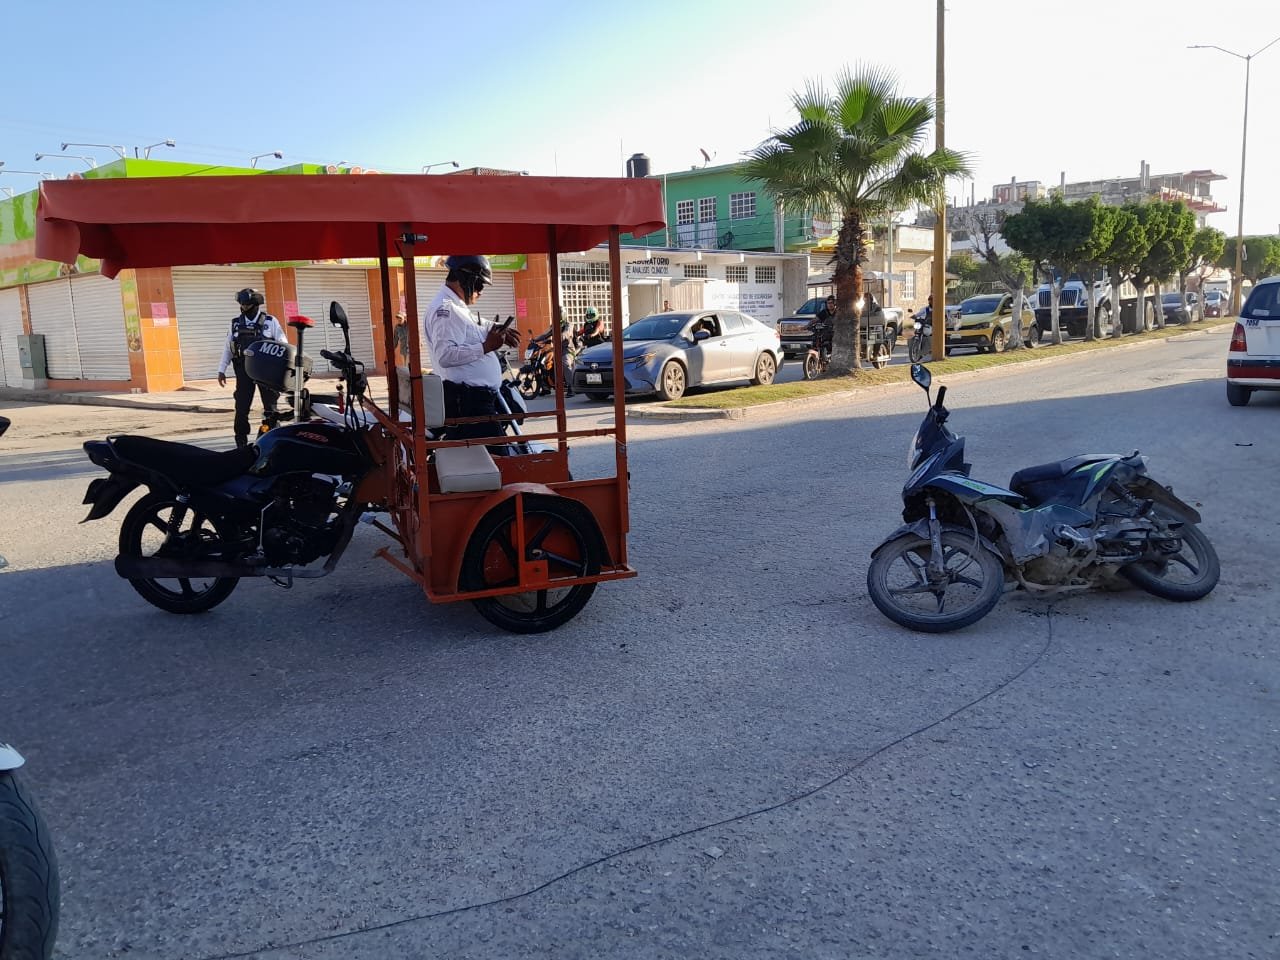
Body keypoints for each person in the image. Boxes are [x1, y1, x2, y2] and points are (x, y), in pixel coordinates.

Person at [422, 255, 521, 441]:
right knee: (502, 461)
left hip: (473, 402)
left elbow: (471, 326)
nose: (481, 291)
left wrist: (495, 328)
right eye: (479, 285)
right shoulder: (447, 310)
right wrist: (486, 346)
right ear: (465, 279)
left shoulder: (456, 308)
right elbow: (446, 355)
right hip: (470, 404)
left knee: (488, 461)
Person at [217, 288, 287, 447]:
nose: (243, 308)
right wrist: (222, 369)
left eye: (246, 304)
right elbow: (228, 348)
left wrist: (282, 369)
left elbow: (283, 344)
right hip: (244, 371)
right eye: (241, 304)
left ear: (255, 305)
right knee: (241, 407)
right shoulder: (235, 324)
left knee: (270, 407)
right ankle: (241, 442)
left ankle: (270, 438)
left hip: (266, 372)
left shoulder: (270, 322)